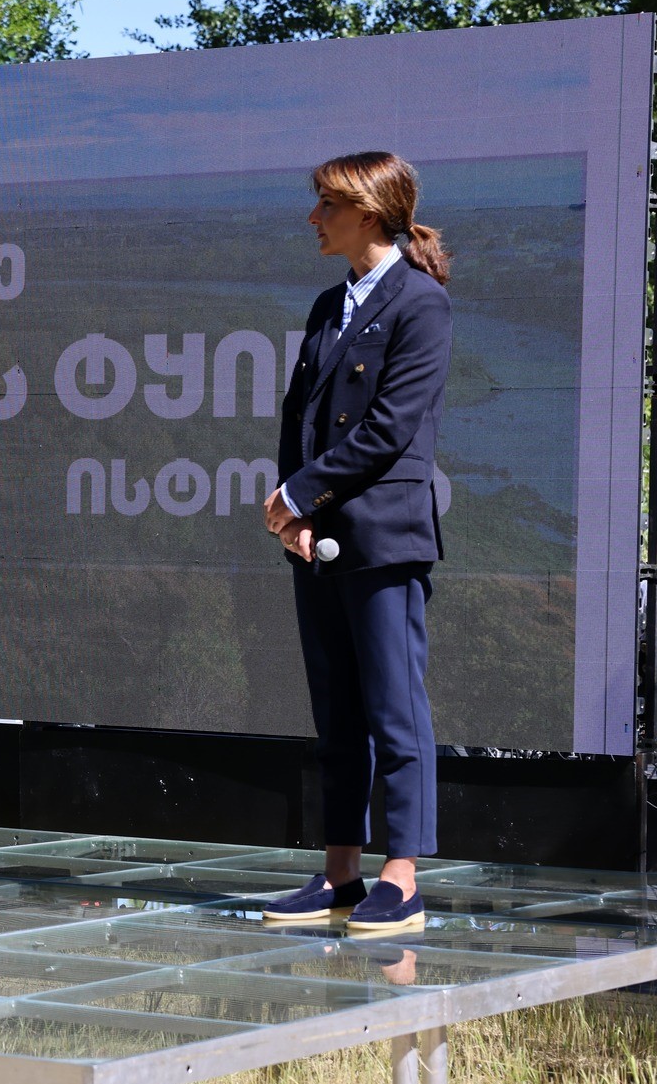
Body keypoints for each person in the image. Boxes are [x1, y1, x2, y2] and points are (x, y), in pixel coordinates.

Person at [259, 152, 453, 933]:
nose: (314, 218)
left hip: (385, 537)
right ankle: (341, 871)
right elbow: (299, 418)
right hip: (321, 539)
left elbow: (388, 430)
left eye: (327, 206)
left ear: (369, 213)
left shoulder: (421, 303)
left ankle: (401, 877)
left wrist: (299, 493)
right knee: (336, 712)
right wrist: (297, 511)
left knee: (394, 708)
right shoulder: (327, 304)